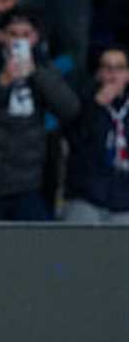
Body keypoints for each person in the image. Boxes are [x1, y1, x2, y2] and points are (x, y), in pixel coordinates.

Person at [0, 7, 80, 221]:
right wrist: (2, 82)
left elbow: (70, 109)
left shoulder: (44, 68)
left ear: (35, 38)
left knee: (35, 240)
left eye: (25, 35)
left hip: (28, 185)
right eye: (13, 34)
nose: (19, 40)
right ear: (1, 36)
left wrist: (37, 74)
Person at [64, 44, 129, 223]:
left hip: (125, 200)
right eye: (107, 68)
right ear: (98, 73)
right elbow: (75, 143)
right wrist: (95, 107)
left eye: (119, 68)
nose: (113, 74)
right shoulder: (83, 103)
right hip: (87, 197)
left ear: (127, 74)